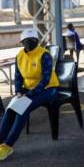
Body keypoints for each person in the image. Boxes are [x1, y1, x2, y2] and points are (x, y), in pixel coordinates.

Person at [0, 28, 59, 160]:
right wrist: (18, 91)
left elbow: (45, 79)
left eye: (33, 40)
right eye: (27, 41)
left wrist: (30, 94)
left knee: (22, 108)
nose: (30, 43)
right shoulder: (19, 56)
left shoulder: (44, 55)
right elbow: (18, 76)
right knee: (10, 110)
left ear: (37, 41)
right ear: (22, 42)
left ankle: (7, 146)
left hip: (49, 89)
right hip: (28, 90)